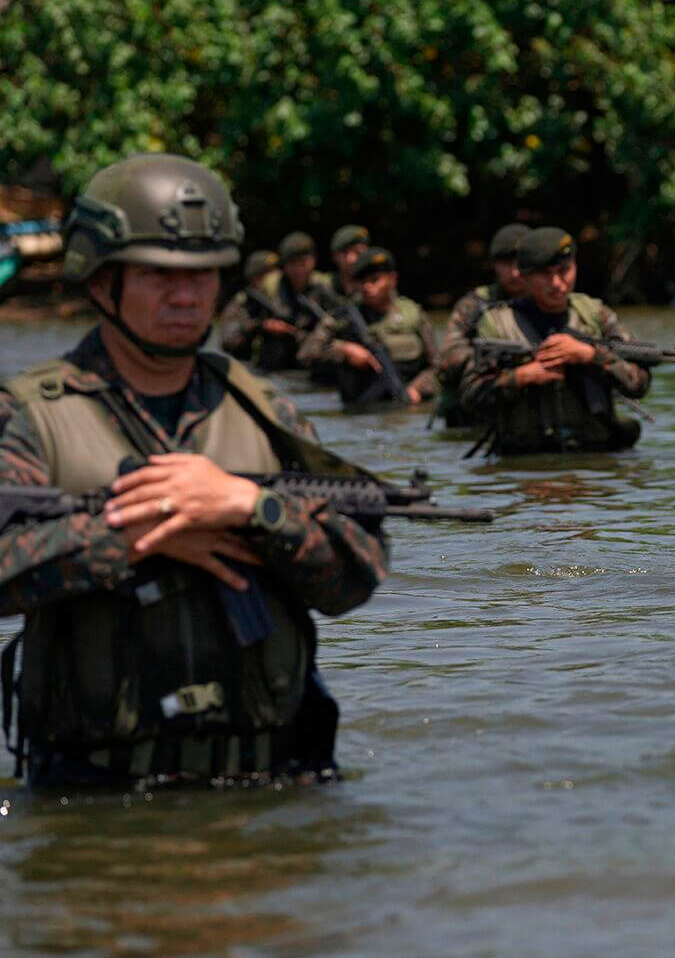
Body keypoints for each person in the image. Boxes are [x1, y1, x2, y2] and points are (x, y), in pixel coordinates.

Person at [0, 153, 389, 788]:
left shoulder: (264, 411)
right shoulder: (31, 418)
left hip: (271, 787)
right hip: (100, 803)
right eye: (158, 275)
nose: (187, 295)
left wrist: (252, 510)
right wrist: (136, 535)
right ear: (101, 282)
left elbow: (357, 575)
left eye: (203, 274)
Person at [459, 227, 648, 454]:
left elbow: (639, 383)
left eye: (564, 270)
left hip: (596, 461)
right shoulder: (498, 324)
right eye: (545, 275)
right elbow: (470, 395)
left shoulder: (595, 316)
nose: (557, 282)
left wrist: (590, 355)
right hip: (523, 466)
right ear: (524, 276)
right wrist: (522, 376)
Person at [298, 246, 440, 406]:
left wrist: (418, 389)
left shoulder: (413, 315)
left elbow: (438, 366)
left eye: (374, 279)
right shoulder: (344, 316)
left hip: (408, 403)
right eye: (362, 281)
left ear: (392, 279)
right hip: (361, 410)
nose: (366, 287)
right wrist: (344, 350)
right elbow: (306, 354)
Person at [434, 222, 529, 428]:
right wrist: (495, 360)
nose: (514, 272)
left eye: (520, 263)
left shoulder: (551, 303)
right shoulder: (474, 305)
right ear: (494, 265)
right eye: (506, 263)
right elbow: (449, 355)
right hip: (477, 408)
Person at [214, 249, 296, 369]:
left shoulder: (284, 300)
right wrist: (259, 327)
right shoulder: (241, 303)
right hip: (247, 370)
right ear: (255, 278)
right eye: (269, 274)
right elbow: (228, 341)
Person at [320, 224, 369, 307]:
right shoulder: (323, 286)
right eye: (345, 253)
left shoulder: (375, 288)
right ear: (334, 256)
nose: (352, 259)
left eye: (358, 252)